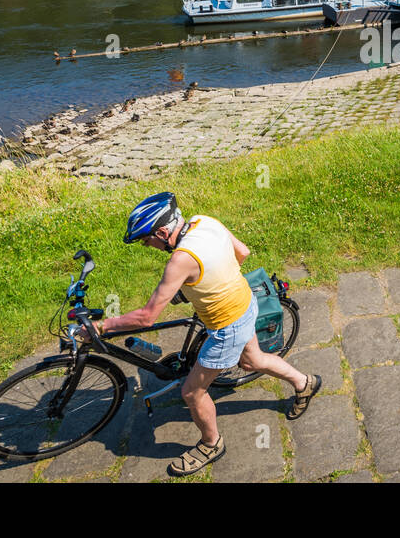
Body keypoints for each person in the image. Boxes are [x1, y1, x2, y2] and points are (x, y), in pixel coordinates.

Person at [100, 193, 322, 475]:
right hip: (245, 301)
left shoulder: (180, 260)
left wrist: (102, 326)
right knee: (253, 360)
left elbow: (147, 317)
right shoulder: (203, 221)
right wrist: (215, 281)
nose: (148, 245)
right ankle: (305, 383)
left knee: (191, 392)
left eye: (147, 240)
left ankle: (211, 444)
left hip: (227, 326)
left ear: (162, 231)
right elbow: (242, 252)